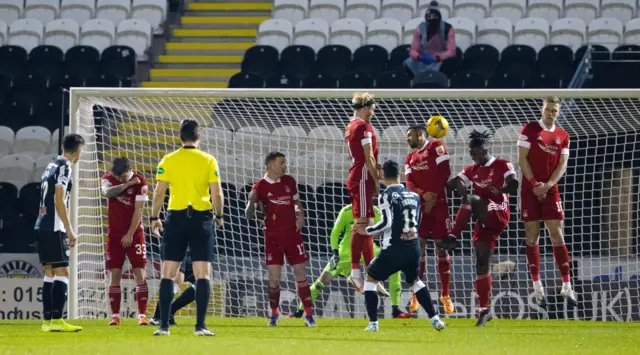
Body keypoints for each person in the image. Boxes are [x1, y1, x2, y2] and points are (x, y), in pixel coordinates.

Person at [150, 119, 224, 336]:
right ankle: (200, 326)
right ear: (198, 137)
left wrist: (154, 217)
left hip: (176, 218)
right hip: (201, 218)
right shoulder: (208, 160)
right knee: (203, 274)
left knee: (168, 272)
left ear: (180, 137)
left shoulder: (169, 159)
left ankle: (163, 326)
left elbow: (159, 192)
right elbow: (217, 193)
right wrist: (219, 216)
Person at [353, 160, 446, 332]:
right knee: (415, 282)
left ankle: (373, 324)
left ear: (382, 176)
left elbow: (386, 222)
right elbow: (417, 222)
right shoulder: (414, 196)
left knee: (370, 280)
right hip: (413, 247)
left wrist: (365, 230)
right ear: (400, 175)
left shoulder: (386, 195)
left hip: (394, 249)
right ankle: (436, 319)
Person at [445, 130, 518, 326]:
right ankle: (485, 310)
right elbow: (452, 183)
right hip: (483, 220)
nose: (472, 155)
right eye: (470, 152)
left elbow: (514, 184)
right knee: (481, 263)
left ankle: (452, 236)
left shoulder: (502, 164)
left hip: (498, 210)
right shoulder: (471, 169)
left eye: (474, 152)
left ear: (484, 149)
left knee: (471, 199)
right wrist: (460, 183)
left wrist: (501, 190)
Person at [289, 205, 414, 319]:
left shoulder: (376, 212)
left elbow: (383, 232)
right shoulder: (346, 211)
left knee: (394, 265)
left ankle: (395, 309)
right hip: (346, 252)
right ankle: (299, 312)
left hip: (369, 247)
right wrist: (335, 252)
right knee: (322, 282)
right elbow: (335, 232)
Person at [517, 96, 577, 308]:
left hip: (551, 190)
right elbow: (522, 159)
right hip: (529, 189)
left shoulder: (563, 135)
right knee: (532, 237)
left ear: (558, 112)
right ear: (542, 109)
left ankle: (567, 286)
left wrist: (548, 186)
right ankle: (537, 287)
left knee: (557, 234)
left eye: (555, 110)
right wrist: (535, 184)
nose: (551, 112)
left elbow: (562, 165)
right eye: (548, 109)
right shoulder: (529, 129)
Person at [245, 152, 316, 327]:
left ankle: (309, 315)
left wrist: (301, 215)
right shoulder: (260, 186)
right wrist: (251, 204)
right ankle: (275, 314)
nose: (285, 165)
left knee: (300, 273)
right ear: (270, 166)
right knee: (274, 278)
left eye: (285, 162)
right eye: (281, 163)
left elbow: (297, 203)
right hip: (272, 236)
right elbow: (248, 214)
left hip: (292, 234)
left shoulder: (290, 181)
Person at [35, 133, 85, 332]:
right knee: (63, 271)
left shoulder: (51, 165)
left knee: (49, 272)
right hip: (55, 226)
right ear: (78, 150)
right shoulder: (65, 166)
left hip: (41, 223)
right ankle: (57, 320)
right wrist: (70, 230)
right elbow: (59, 199)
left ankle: (47, 321)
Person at [404, 125, 454, 314]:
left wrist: (433, 196)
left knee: (441, 249)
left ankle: (446, 294)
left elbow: (445, 172)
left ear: (419, 134)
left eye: (409, 135)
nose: (407, 139)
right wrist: (424, 195)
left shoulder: (436, 146)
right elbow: (409, 183)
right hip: (420, 208)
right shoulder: (410, 158)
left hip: (439, 207)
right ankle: (415, 294)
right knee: (419, 249)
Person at [101, 157, 150, 326]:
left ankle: (142, 315)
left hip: (135, 234)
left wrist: (129, 234)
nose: (120, 179)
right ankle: (115, 316)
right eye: (119, 178)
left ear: (129, 170)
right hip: (114, 235)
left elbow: (139, 211)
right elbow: (108, 193)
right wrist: (127, 184)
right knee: (115, 274)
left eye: (124, 177)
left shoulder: (141, 182)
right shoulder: (108, 179)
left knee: (140, 274)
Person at [344, 91, 380, 292]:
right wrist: (376, 180)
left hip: (357, 175)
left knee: (367, 225)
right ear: (366, 108)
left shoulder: (350, 126)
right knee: (363, 224)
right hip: (363, 176)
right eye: (373, 109)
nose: (373, 113)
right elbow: (368, 158)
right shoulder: (363, 126)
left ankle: (368, 273)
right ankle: (357, 272)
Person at [404, 1, 456, 77]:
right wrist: (419, 57)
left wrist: (436, 58)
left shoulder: (448, 28)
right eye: (429, 17)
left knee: (451, 61)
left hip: (440, 59)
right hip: (423, 59)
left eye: (434, 17)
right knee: (409, 62)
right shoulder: (420, 28)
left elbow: (451, 51)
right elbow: (413, 50)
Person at [150, 251, 196, 326]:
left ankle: (170, 312)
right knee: (176, 279)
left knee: (201, 285)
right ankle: (157, 317)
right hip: (177, 246)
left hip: (192, 253)